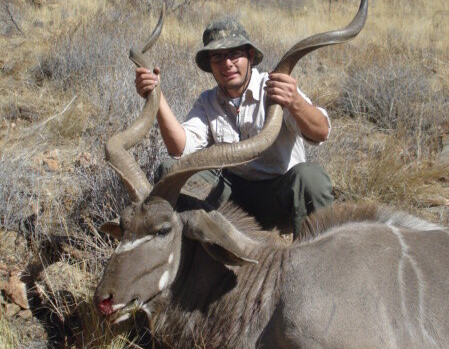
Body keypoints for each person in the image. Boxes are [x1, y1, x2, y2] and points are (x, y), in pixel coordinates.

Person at [135, 18, 333, 237]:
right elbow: (179, 149)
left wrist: (295, 101)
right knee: (169, 171)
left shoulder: (275, 86)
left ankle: (316, 260)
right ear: (210, 65)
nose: (226, 64)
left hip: (281, 198)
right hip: (231, 202)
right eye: (217, 57)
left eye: (234, 54)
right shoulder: (207, 101)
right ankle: (197, 253)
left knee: (311, 178)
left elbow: (321, 131)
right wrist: (157, 96)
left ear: (249, 56)